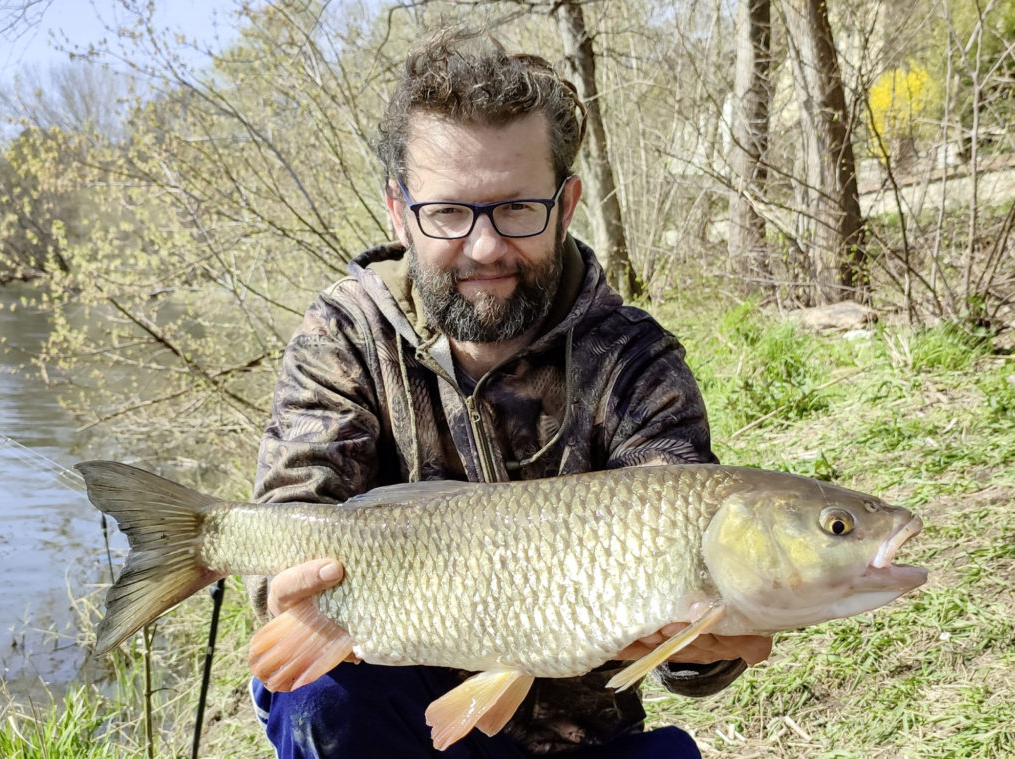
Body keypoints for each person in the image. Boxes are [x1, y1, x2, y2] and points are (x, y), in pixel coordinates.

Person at [247, 27, 772, 759]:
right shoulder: (346, 334)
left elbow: (689, 636)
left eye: (518, 208)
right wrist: (281, 590)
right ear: (398, 212)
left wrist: (705, 646)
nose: (486, 247)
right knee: (319, 697)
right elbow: (292, 516)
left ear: (566, 202)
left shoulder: (635, 360)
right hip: (394, 708)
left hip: (578, 738)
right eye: (449, 212)